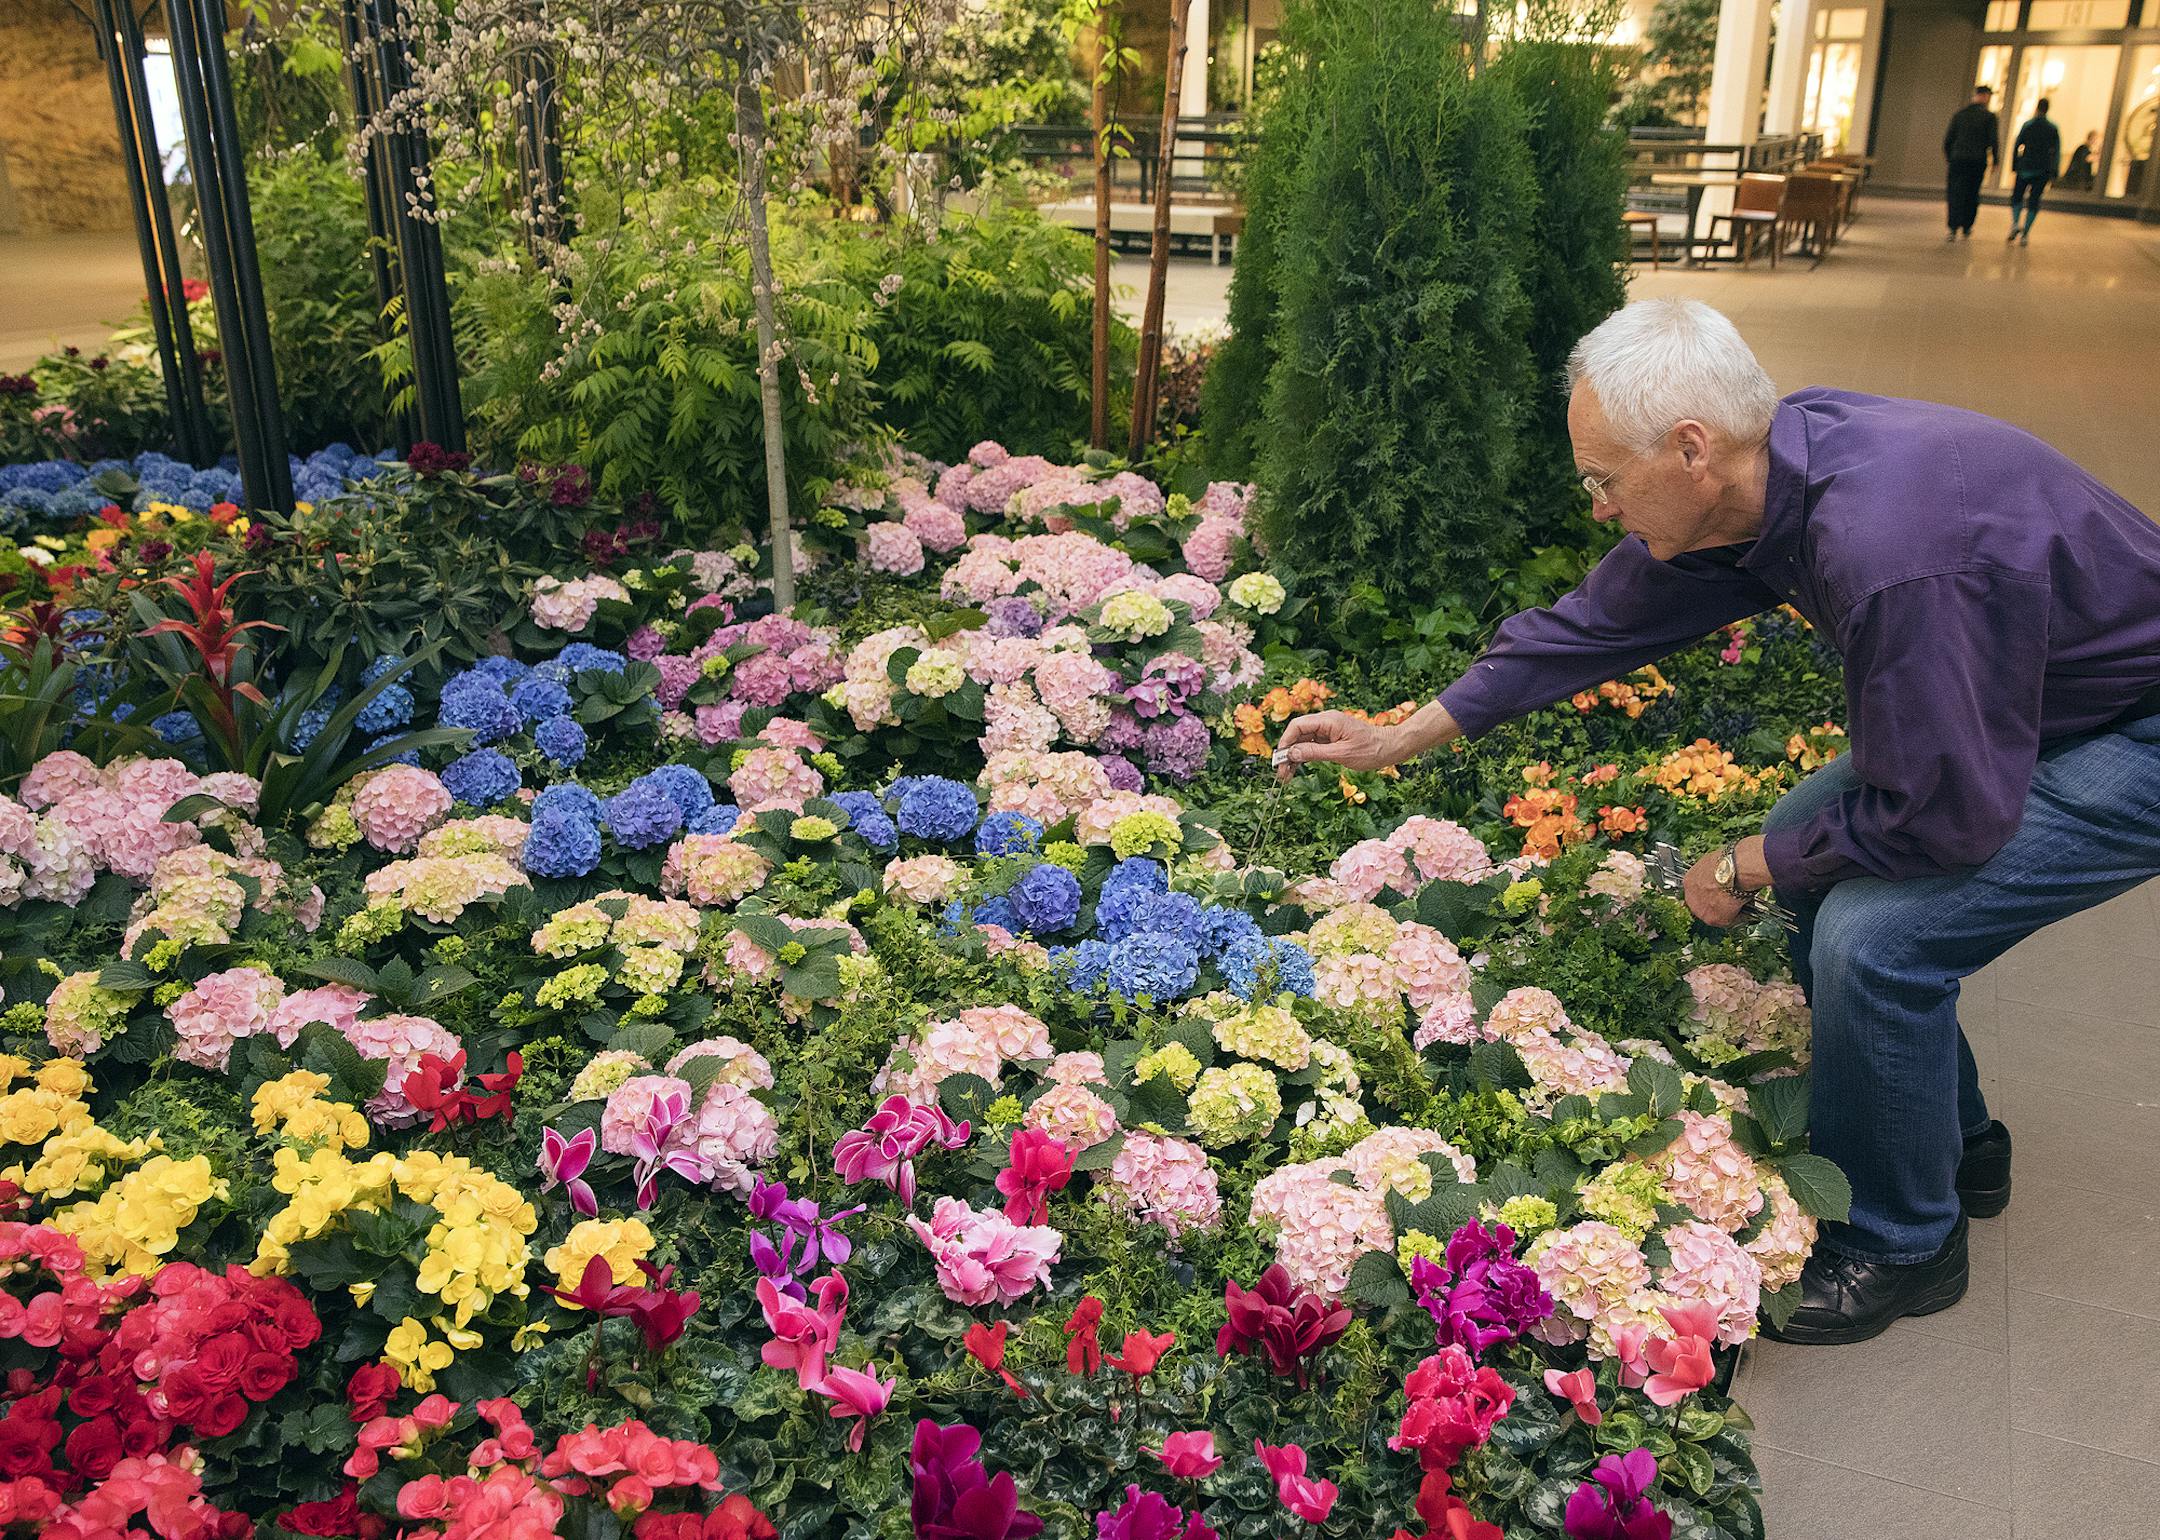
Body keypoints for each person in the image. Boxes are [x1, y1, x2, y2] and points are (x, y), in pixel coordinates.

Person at [1274, 299, 2160, 1346]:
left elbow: (1942, 817)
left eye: (1603, 478)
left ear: (1690, 448)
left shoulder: (1887, 550)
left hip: (2131, 732)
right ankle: (1957, 1145)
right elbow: (1599, 622)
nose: (1598, 506)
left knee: (1874, 939)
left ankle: (1906, 1242)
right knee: (1817, 855)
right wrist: (1397, 737)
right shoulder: (1769, 475)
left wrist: (1749, 863)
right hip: (2028, 693)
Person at [1943, 84, 2001, 239]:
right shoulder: (1989, 117)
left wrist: (1951, 156)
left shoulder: (1960, 115)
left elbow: (1948, 139)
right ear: (1986, 97)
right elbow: (1993, 140)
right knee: (1972, 193)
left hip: (1958, 159)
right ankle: (1967, 225)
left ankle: (1953, 227)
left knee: (1955, 192)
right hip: (1977, 160)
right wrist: (1995, 160)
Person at [2008, 97, 2062, 244]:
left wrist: (2015, 164)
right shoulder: (2052, 128)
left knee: (2017, 197)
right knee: (2034, 200)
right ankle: (2026, 231)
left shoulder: (2028, 125)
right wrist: (2054, 170)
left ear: (2037, 108)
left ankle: (2015, 223)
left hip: (2025, 167)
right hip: (2042, 169)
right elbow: (2056, 151)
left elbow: (2017, 145)